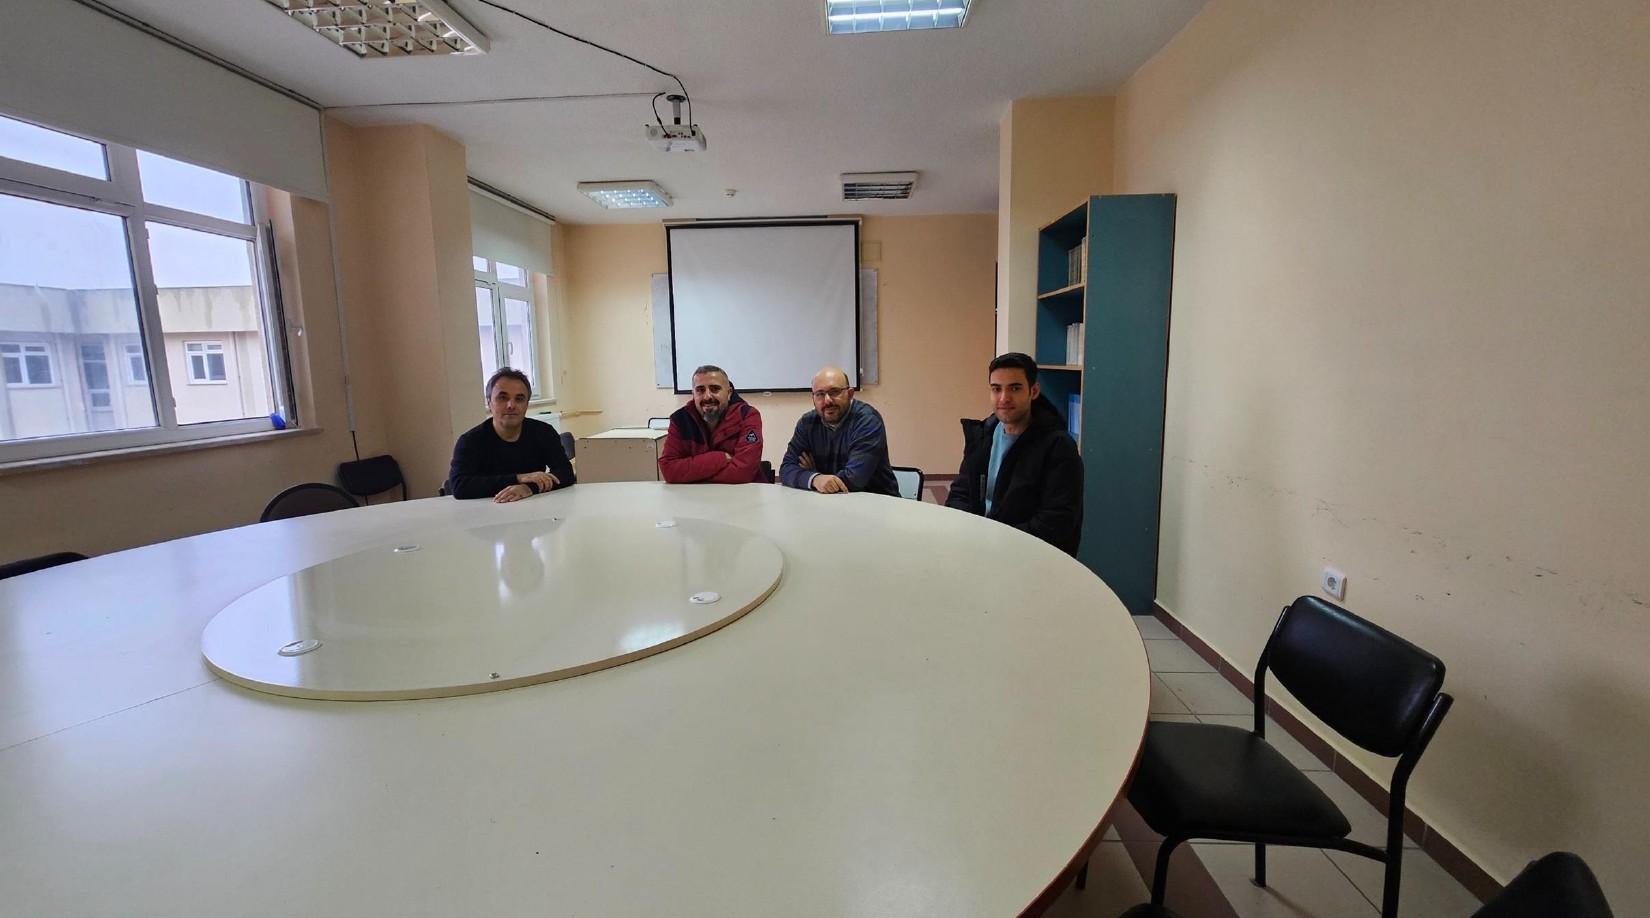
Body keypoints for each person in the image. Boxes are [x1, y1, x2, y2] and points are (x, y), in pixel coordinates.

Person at [945, 352, 1083, 555]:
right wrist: (967, 533)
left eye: (1015, 388)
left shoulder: (1058, 447)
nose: (1004, 398)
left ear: (1033, 391)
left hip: (1027, 556)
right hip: (979, 548)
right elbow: (961, 492)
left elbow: (1055, 521)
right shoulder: (983, 435)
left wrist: (996, 543)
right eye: (996, 389)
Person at [447, 367, 575, 502]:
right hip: (486, 510)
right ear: (489, 403)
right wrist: (519, 478)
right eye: (503, 398)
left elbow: (565, 473)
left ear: (526, 405)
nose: (511, 405)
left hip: (533, 508)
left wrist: (529, 487)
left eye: (519, 399)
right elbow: (459, 485)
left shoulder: (543, 432)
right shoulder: (470, 441)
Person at [779, 367, 899, 496]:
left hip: (876, 503)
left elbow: (854, 480)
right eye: (820, 394)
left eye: (835, 392)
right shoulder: (807, 423)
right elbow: (786, 469)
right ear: (813, 398)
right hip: (828, 502)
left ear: (850, 394)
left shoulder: (867, 421)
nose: (827, 400)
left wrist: (814, 474)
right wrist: (815, 479)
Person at [659, 364, 764, 483]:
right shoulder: (679, 420)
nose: (707, 396)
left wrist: (692, 475)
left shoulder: (747, 416)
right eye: (700, 390)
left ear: (729, 393)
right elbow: (669, 470)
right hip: (694, 494)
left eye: (715, 389)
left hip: (743, 492)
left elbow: (743, 473)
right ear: (693, 394)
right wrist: (720, 458)